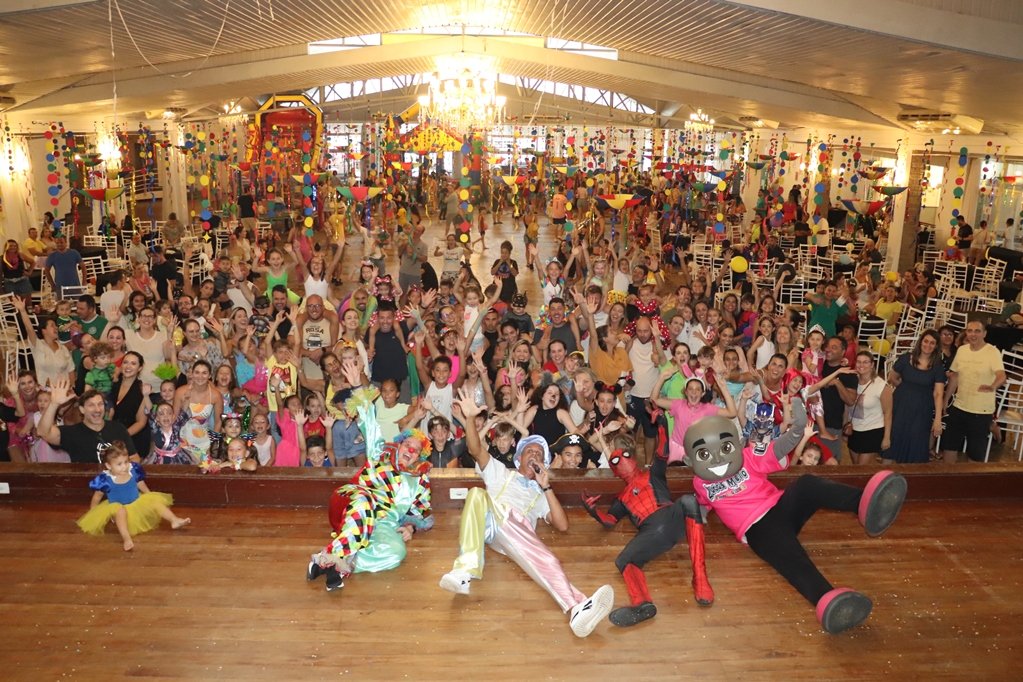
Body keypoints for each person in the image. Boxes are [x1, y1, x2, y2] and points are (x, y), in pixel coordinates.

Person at [682, 400, 908, 634]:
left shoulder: (748, 457)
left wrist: (797, 430)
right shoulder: (700, 484)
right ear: (691, 461)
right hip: (757, 528)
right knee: (792, 560)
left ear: (737, 446)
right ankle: (829, 599)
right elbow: (700, 507)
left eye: (725, 448)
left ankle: (864, 504)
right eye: (704, 453)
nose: (718, 459)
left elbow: (777, 449)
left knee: (806, 484)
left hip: (781, 507)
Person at [438, 390, 615, 639]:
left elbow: (563, 526)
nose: (535, 456)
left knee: (546, 559)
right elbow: (475, 449)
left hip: (515, 533)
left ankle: (577, 607)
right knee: (477, 495)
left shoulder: (542, 493)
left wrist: (546, 486)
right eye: (530, 452)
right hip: (489, 521)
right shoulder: (501, 471)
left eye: (540, 455)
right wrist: (469, 418)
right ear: (519, 458)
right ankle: (463, 571)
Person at [306, 378, 433, 591]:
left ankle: (338, 562)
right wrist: (357, 386)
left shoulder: (419, 481)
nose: (410, 451)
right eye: (407, 445)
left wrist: (410, 526)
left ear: (419, 457)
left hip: (383, 524)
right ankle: (333, 557)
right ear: (399, 444)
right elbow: (369, 422)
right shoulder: (380, 453)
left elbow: (420, 512)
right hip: (353, 502)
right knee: (365, 502)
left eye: (416, 450)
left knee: (396, 552)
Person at [582, 429, 712, 626]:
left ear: (633, 458)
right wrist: (593, 510)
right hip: (650, 533)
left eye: (624, 456)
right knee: (624, 560)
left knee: (688, 501)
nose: (622, 462)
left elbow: (663, 451)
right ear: (614, 470)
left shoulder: (653, 473)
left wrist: (660, 425)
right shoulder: (622, 498)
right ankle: (642, 604)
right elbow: (609, 520)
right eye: (615, 461)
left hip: (671, 516)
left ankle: (700, 578)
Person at [76, 442, 190, 551]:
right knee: (120, 511)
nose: (124, 466)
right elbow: (97, 496)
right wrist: (93, 512)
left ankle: (174, 520)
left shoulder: (132, 471)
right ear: (108, 465)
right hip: (118, 507)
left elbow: (140, 484)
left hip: (136, 503)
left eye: (126, 462)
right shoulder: (106, 479)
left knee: (155, 502)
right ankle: (126, 538)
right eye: (119, 464)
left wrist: (149, 495)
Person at [941, 321, 1006, 463]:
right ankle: (948, 481)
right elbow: (955, 376)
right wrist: (945, 400)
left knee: (975, 454)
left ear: (984, 333)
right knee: (949, 447)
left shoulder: (992, 352)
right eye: (970, 331)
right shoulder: (962, 350)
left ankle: (971, 484)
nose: (973, 334)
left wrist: (992, 386)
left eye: (977, 331)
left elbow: (1002, 375)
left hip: (981, 411)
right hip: (959, 406)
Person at [882, 330, 946, 464]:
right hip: (901, 404)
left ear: (936, 346)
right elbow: (892, 377)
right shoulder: (906, 358)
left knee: (917, 440)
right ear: (920, 342)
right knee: (895, 436)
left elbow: (938, 393)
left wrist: (938, 419)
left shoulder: (938, 366)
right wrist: (905, 388)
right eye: (926, 341)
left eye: (932, 343)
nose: (928, 345)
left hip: (922, 409)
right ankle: (886, 477)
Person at [37, 379, 138, 463]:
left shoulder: (118, 428)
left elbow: (135, 458)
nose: (97, 409)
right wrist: (54, 404)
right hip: (85, 485)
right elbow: (43, 432)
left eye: (100, 404)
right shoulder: (72, 433)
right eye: (91, 405)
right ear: (82, 409)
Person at [12, 297, 73, 388]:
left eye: (56, 326)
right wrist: (23, 311)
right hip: (45, 392)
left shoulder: (62, 348)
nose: (56, 328)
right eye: (52, 326)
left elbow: (71, 370)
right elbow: (29, 329)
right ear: (44, 330)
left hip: (64, 391)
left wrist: (70, 388)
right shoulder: (38, 345)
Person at [846, 351, 891, 465]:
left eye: (865, 362)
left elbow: (888, 413)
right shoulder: (852, 380)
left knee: (861, 469)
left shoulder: (881, 385)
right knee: (855, 467)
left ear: (872, 365)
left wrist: (886, 437)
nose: (861, 365)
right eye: (859, 362)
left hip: (872, 431)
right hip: (854, 430)